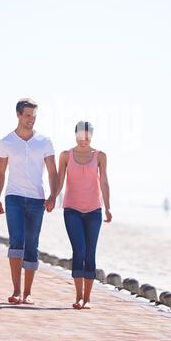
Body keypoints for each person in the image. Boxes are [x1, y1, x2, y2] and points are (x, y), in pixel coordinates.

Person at [0, 98, 57, 305]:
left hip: (36, 200)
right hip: (13, 197)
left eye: (34, 116)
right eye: (28, 115)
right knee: (16, 242)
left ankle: (27, 293)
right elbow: (0, 173)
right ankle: (15, 290)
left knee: (32, 245)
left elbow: (52, 172)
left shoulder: (44, 142)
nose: (31, 120)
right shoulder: (6, 142)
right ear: (18, 115)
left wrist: (53, 196)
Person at [57, 121, 112, 310]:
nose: (84, 139)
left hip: (94, 211)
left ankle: (88, 298)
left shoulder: (100, 156)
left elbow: (104, 181)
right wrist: (50, 199)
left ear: (92, 136)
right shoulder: (66, 156)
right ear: (75, 135)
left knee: (90, 253)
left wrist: (108, 207)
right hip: (72, 209)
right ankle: (79, 296)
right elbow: (59, 181)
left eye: (87, 136)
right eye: (81, 135)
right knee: (78, 251)